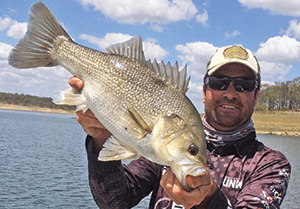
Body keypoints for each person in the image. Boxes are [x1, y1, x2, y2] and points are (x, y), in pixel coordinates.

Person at [69, 45, 291, 209]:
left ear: (256, 95)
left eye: (244, 85)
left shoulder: (270, 165)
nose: (230, 93)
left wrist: (207, 201)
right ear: (204, 93)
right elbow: (115, 201)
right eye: (218, 82)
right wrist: (100, 139)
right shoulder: (167, 144)